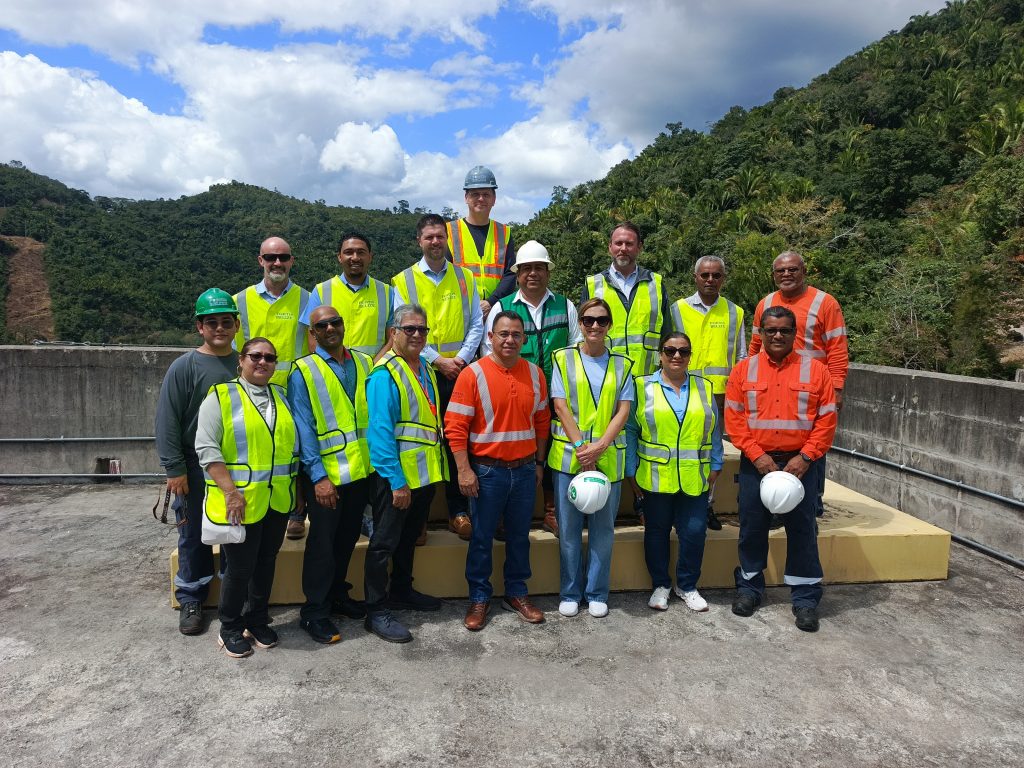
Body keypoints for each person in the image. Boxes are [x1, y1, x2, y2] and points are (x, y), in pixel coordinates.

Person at [725, 306, 838, 632]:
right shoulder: (743, 371)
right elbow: (734, 419)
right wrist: (758, 456)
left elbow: (827, 420)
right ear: (760, 332)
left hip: (801, 464)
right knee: (752, 527)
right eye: (770, 330)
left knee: (803, 530)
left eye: (784, 330)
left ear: (794, 333)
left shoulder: (816, 371)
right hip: (755, 462)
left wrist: (805, 458)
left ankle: (805, 600)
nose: (777, 335)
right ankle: (748, 588)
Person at [445, 311, 551, 631]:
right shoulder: (472, 374)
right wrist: (464, 470)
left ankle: (517, 593)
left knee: (520, 537)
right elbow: (455, 427)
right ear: (490, 337)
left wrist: (538, 463)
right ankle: (479, 598)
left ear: (524, 339)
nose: (509, 340)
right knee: (481, 538)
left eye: (516, 334)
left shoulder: (535, 374)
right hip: (487, 473)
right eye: (503, 334)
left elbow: (542, 422)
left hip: (523, 471)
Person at [195, 337, 299, 658]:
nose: (262, 362)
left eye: (269, 357)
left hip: (277, 499)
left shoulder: (281, 397)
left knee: (266, 563)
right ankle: (228, 626)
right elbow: (206, 447)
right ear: (241, 360)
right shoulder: (221, 396)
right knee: (240, 568)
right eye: (256, 356)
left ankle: (256, 619)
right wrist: (230, 492)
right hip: (241, 501)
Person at [155, 288, 241, 636]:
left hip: (237, 465)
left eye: (225, 322)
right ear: (200, 327)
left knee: (236, 532)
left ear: (236, 325)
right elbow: (167, 421)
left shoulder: (245, 363)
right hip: (194, 467)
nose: (219, 328)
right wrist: (174, 469)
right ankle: (192, 596)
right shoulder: (184, 367)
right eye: (211, 323)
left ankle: (237, 594)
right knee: (192, 535)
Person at [393, 213, 483, 541]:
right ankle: (421, 516)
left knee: (460, 439)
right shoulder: (402, 281)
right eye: (429, 237)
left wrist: (458, 359)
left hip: (460, 372)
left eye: (440, 236)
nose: (435, 242)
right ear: (419, 241)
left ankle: (459, 512)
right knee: (425, 441)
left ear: (447, 240)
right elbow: (405, 328)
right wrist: (438, 361)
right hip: (420, 372)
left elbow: (476, 323)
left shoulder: (465, 278)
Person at [483, 240, 582, 535]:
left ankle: (552, 511)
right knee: (510, 452)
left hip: (556, 394)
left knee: (554, 452)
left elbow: (575, 348)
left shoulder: (565, 306)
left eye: (539, 268)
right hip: (515, 393)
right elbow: (489, 350)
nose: (533, 274)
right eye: (526, 269)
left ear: (548, 272)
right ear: (517, 274)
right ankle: (502, 513)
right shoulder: (502, 307)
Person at [288, 306, 374, 645]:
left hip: (359, 472)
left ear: (343, 325)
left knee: (346, 539)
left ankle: (338, 595)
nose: (330, 328)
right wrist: (319, 477)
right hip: (325, 477)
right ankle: (314, 612)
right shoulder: (303, 371)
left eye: (335, 322)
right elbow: (304, 428)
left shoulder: (365, 363)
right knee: (322, 545)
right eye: (321, 325)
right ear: (313, 333)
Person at [364, 304, 447, 643]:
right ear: (393, 333)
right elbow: (380, 432)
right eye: (409, 329)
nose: (416, 335)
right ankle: (376, 610)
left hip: (423, 476)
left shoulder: (424, 369)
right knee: (383, 544)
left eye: (422, 330)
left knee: (408, 539)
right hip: (396, 479)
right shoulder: (385, 374)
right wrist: (396, 481)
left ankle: (402, 590)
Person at [547, 298, 633, 618]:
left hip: (608, 459)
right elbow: (560, 405)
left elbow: (623, 410)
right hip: (570, 457)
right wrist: (585, 448)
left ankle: (597, 592)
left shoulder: (623, 364)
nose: (594, 326)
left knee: (602, 531)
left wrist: (599, 448)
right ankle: (570, 591)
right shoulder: (563, 358)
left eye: (601, 320)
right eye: (588, 320)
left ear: (609, 325)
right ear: (579, 324)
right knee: (568, 531)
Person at [626, 332, 723, 613]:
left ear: (690, 355)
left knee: (694, 532)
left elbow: (714, 428)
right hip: (655, 476)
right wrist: (631, 470)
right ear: (660, 355)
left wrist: (716, 463)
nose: (677, 356)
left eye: (683, 351)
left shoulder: (704, 387)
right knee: (656, 532)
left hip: (696, 475)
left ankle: (687, 586)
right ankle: (661, 585)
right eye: (670, 351)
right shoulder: (642, 386)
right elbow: (631, 430)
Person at [748, 250, 848, 519]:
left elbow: (837, 349)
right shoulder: (765, 303)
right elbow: (756, 347)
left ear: (804, 271)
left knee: (813, 446)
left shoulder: (824, 303)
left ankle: (811, 500)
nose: (786, 274)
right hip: (772, 384)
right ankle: (774, 502)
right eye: (781, 271)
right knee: (772, 445)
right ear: (774, 275)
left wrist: (836, 388)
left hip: (812, 389)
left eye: (793, 269)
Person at [233, 236, 311, 540]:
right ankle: (257, 506)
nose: (276, 263)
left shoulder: (307, 298)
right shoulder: (239, 301)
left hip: (293, 389)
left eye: (283, 257)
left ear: (292, 260)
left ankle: (295, 511)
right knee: (257, 449)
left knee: (296, 450)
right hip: (251, 390)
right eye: (270, 257)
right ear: (260, 260)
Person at [668, 255, 745, 531]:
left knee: (712, 454)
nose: (710, 280)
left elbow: (741, 357)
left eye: (716, 275)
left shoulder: (735, 312)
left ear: (723, 278)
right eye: (705, 275)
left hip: (718, 397)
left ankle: (706, 505)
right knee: (680, 450)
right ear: (695, 277)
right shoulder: (677, 309)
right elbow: (668, 349)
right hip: (681, 391)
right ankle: (677, 506)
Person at [582, 222, 669, 377]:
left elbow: (667, 333)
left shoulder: (655, 283)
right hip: (606, 378)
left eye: (629, 244)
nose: (623, 248)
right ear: (610, 247)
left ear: (639, 247)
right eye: (618, 243)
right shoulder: (593, 285)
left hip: (649, 378)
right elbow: (583, 335)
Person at [302, 232, 397, 360]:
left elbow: (392, 338)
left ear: (370, 257)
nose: (355, 257)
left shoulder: (387, 292)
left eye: (361, 252)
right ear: (340, 257)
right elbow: (313, 340)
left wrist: (374, 368)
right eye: (349, 252)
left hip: (373, 373)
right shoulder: (321, 291)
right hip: (333, 372)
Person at [447, 165, 517, 317]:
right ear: (466, 198)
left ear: (494, 199)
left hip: (497, 311)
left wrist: (491, 302)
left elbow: (511, 273)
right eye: (475, 194)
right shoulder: (449, 232)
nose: (481, 199)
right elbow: (443, 274)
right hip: (460, 312)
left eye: (486, 194)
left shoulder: (504, 232)